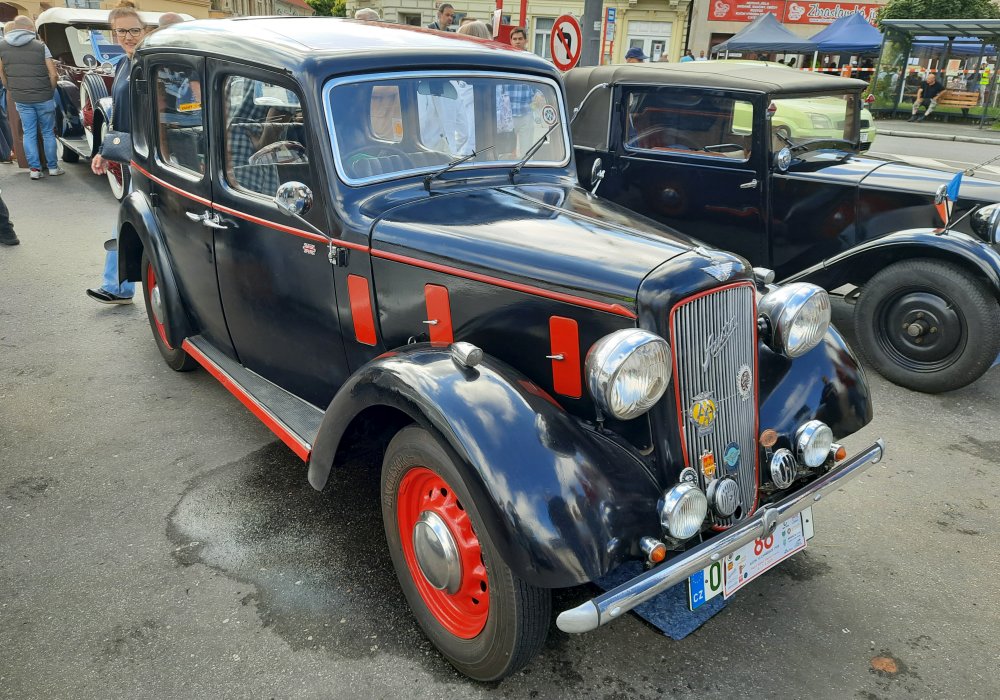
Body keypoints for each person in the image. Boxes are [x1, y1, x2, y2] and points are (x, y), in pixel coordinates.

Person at [86, 2, 147, 305]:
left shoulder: (149, 62)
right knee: (130, 217)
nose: (128, 36)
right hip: (134, 154)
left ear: (144, 30)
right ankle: (118, 287)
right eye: (121, 30)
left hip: (153, 156)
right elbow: (119, 114)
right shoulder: (124, 63)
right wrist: (103, 150)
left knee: (133, 217)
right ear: (114, 33)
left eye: (134, 29)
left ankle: (120, 286)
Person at [0, 15, 63, 180]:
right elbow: (53, 74)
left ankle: (34, 169)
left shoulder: (2, 46)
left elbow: (1, 73)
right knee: (48, 132)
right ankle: (53, 167)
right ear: (29, 28)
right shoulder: (40, 46)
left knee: (29, 132)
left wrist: (10, 88)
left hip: (20, 97)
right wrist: (50, 91)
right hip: (43, 96)